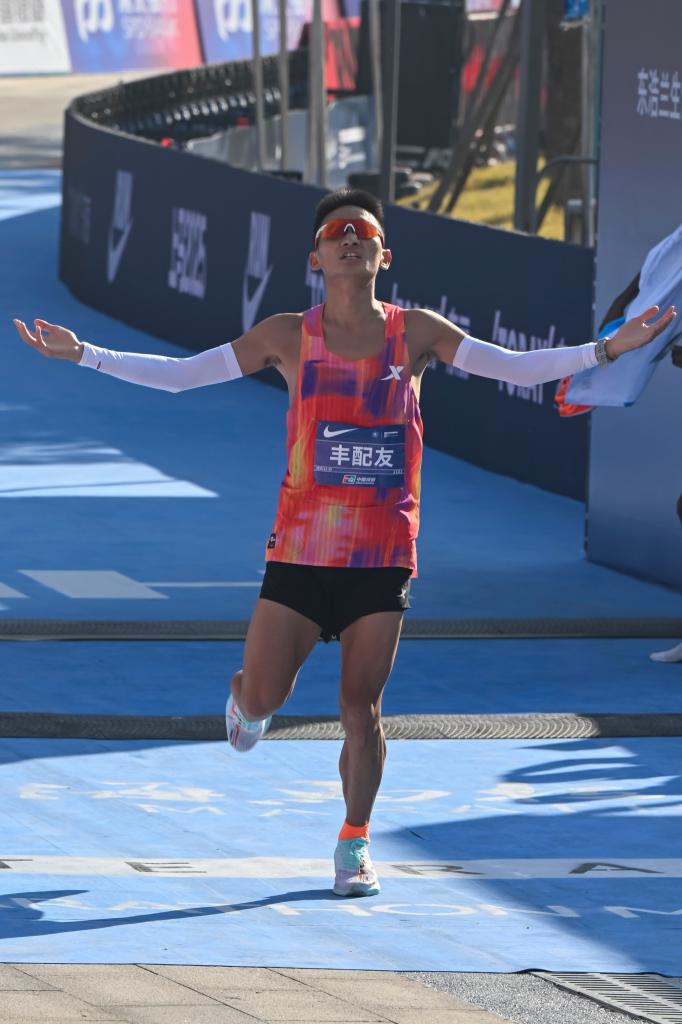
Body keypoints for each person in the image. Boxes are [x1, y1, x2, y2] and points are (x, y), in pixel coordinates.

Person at [13, 188, 676, 897]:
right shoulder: (286, 335)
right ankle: (246, 701)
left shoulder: (416, 332)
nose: (350, 238)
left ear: (384, 256)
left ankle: (353, 842)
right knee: (264, 697)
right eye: (337, 232)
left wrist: (607, 348)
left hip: (381, 555)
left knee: (361, 709)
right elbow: (182, 377)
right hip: (299, 554)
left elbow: (511, 366)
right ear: (316, 258)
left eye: (363, 231)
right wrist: (85, 354)